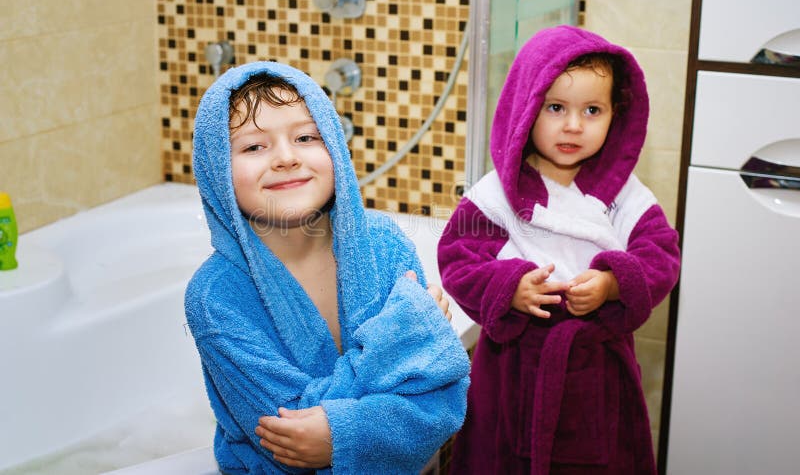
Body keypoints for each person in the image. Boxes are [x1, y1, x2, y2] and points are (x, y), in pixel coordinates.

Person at [185, 61, 470, 474]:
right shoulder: (216, 299)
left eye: (305, 137)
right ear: (215, 170)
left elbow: (442, 395)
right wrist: (397, 342)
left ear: (335, 145)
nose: (285, 158)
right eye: (253, 147)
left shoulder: (384, 245)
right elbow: (287, 437)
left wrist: (339, 434)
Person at [437, 25, 681, 474]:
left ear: (615, 115)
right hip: (512, 370)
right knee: (501, 460)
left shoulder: (622, 194)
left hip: (596, 371)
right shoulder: (498, 194)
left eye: (592, 110)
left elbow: (661, 256)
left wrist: (612, 283)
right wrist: (509, 287)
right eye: (555, 108)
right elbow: (457, 259)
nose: (573, 125)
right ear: (527, 109)